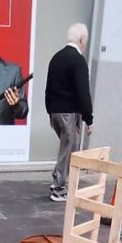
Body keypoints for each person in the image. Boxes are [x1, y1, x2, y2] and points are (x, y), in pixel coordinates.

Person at [45, 23, 93, 203]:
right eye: (85, 41)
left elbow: (48, 88)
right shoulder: (78, 61)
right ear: (81, 40)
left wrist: (50, 112)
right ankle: (58, 188)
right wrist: (89, 119)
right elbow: (83, 92)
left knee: (67, 147)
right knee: (68, 149)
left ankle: (58, 180)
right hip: (68, 113)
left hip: (56, 111)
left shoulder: (56, 58)